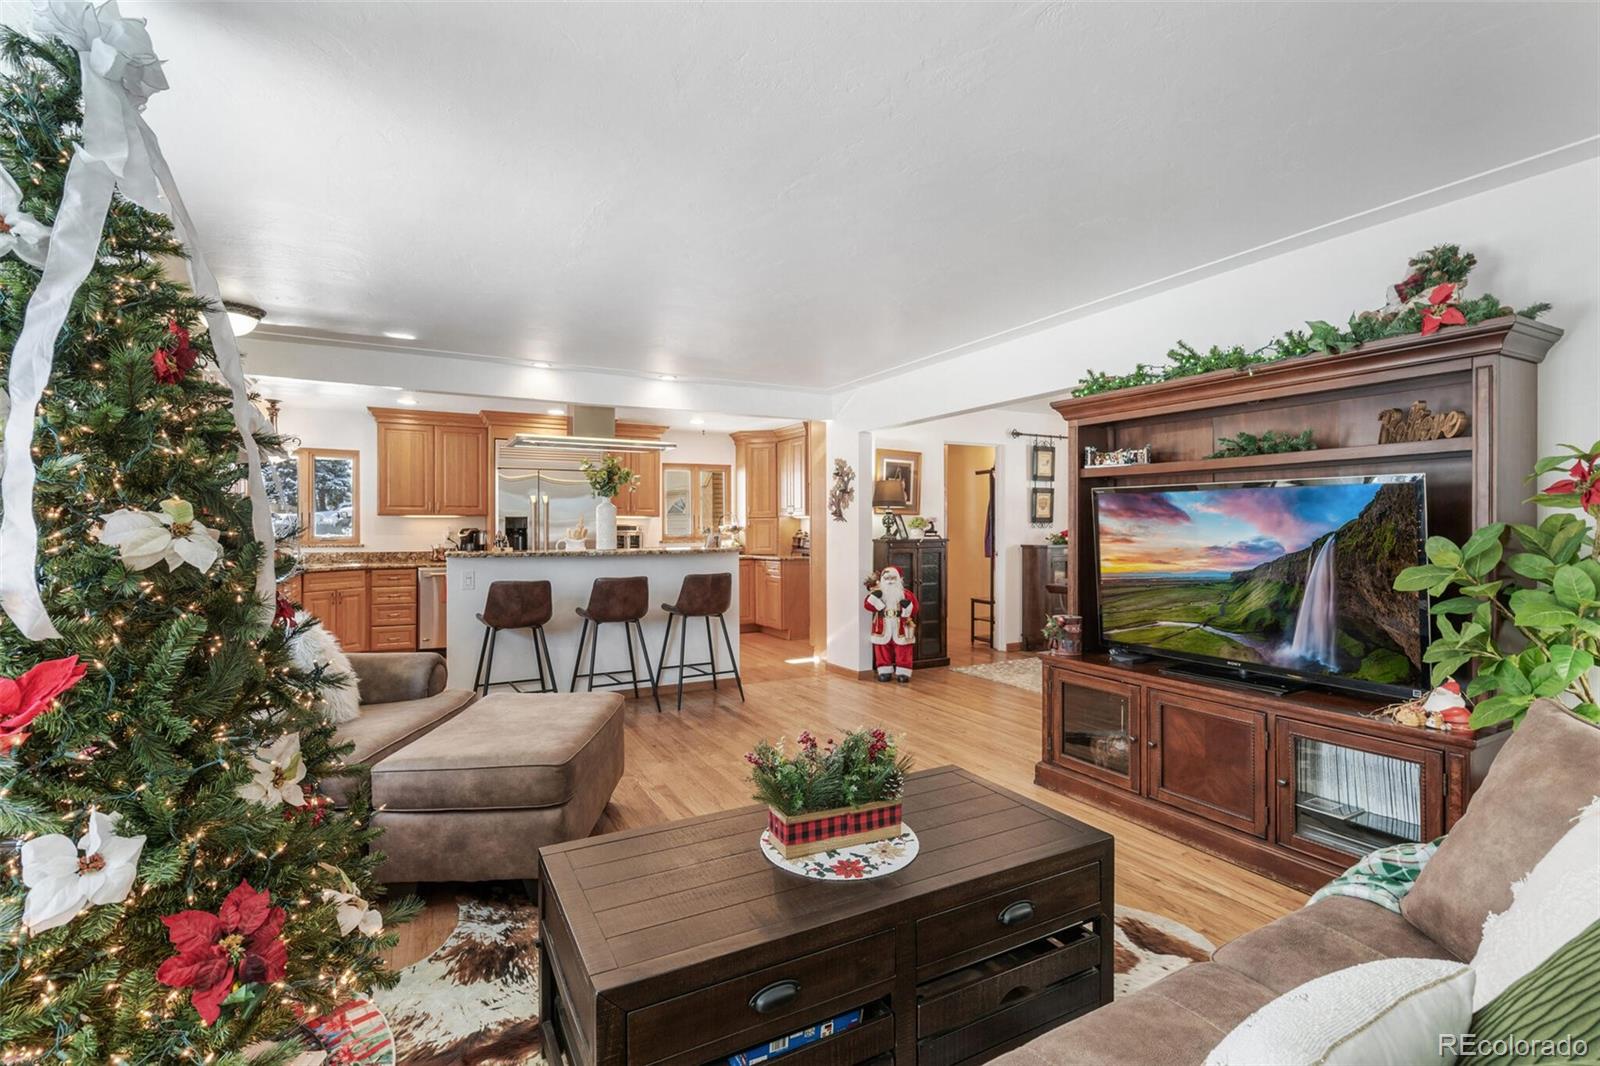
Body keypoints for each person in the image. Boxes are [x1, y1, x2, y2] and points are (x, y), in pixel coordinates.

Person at [864, 566, 919, 683]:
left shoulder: (906, 594)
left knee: (903, 649)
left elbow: (915, 609)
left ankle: (903, 672)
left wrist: (908, 607)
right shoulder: (878, 593)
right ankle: (884, 671)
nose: (890, 581)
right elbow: (868, 605)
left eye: (893, 578)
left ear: (899, 579)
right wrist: (874, 598)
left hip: (901, 626)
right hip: (882, 625)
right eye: (887, 578)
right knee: (882, 648)